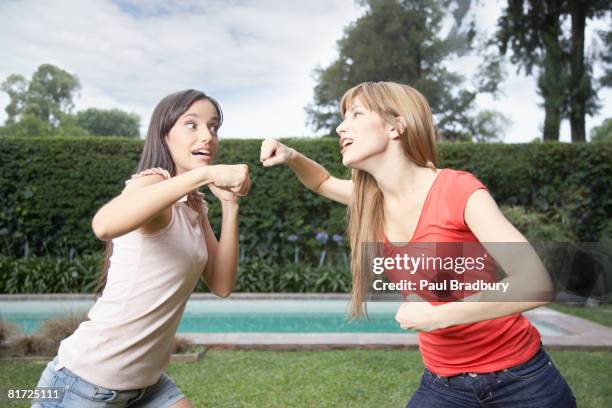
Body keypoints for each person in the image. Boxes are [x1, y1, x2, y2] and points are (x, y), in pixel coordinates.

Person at [259, 81, 576, 407]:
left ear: (396, 125)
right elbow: (322, 182)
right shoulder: (371, 200)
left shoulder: (457, 190)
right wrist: (291, 155)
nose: (341, 127)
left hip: (521, 380)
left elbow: (535, 283)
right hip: (444, 384)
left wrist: (440, 316)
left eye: (355, 114)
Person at [32, 89, 250, 408]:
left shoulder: (194, 206)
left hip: (148, 385)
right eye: (192, 125)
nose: (208, 136)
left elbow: (221, 284)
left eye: (213, 127)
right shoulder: (150, 183)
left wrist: (230, 206)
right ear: (165, 135)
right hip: (83, 384)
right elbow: (103, 225)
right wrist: (204, 174)